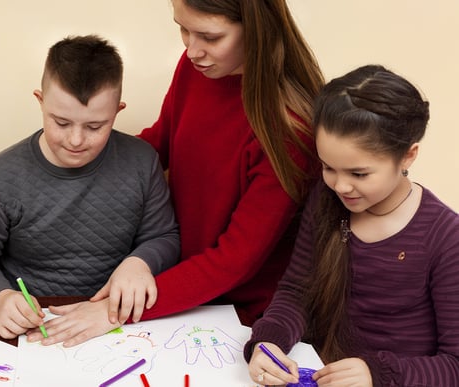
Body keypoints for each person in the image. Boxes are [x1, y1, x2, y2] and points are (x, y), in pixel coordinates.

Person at [31, 0, 324, 347]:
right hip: (174, 282)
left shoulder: (291, 128)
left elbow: (233, 261)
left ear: (258, 30)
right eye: (183, 29)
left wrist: (115, 310)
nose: (192, 49)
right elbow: (157, 147)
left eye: (210, 37)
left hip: (243, 314)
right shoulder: (195, 68)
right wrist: (60, 165)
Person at [0, 35, 180, 341]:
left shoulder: (142, 161)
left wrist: (140, 263)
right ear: (40, 100)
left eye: (94, 126)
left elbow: (163, 236)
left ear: (117, 111)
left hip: (114, 319)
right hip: (35, 326)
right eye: (61, 122)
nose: (76, 140)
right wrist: (1, 298)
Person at [245, 65, 459, 386]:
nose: (341, 186)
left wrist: (377, 374)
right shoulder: (326, 200)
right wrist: (269, 342)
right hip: (318, 370)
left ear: (408, 156)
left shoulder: (445, 236)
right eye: (329, 167)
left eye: (358, 174)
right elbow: (296, 292)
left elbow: (454, 364)